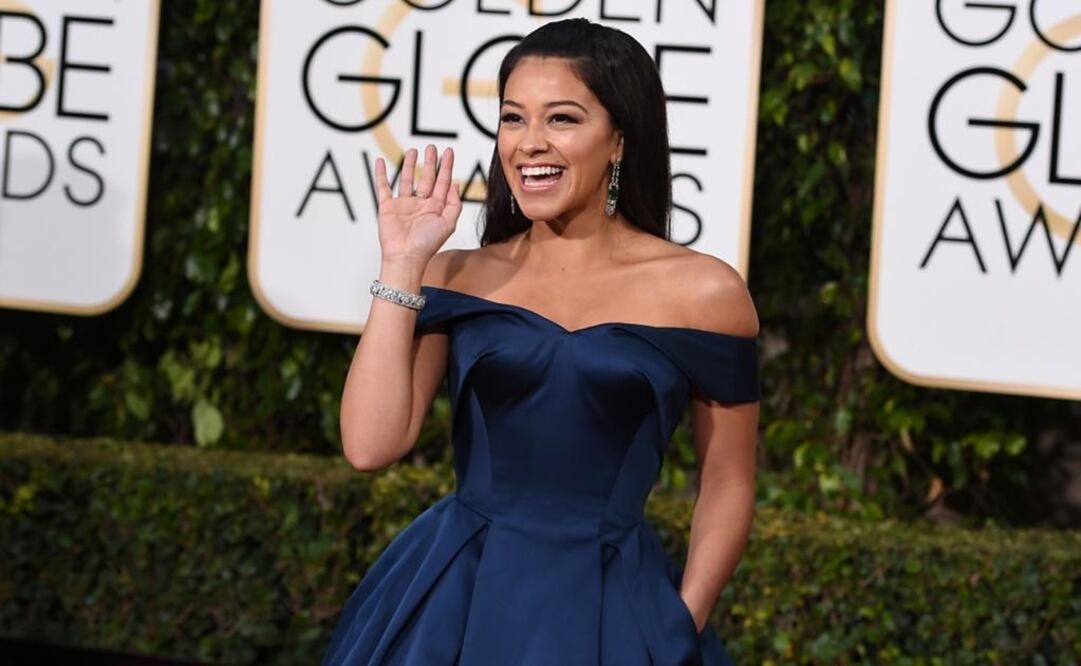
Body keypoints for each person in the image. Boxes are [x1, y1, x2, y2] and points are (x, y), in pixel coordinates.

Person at [323, 17, 759, 666]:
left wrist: (677, 624)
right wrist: (402, 265)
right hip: (456, 602)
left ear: (618, 140)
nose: (529, 143)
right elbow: (369, 445)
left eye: (560, 119)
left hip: (612, 611)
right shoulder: (457, 275)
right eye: (512, 118)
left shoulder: (705, 294)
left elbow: (728, 481)